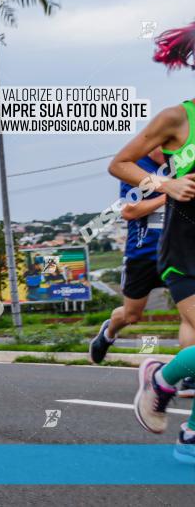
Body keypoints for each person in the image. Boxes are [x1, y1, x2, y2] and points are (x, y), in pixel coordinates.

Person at [111, 21, 195, 462]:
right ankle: (162, 381)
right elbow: (120, 163)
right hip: (185, 246)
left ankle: (191, 434)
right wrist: (165, 184)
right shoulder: (178, 118)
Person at [90, 146, 195, 397]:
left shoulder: (186, 162)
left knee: (188, 314)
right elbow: (129, 211)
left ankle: (190, 375)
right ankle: (109, 331)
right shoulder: (137, 167)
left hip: (180, 252)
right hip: (143, 255)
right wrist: (169, 193)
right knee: (132, 314)